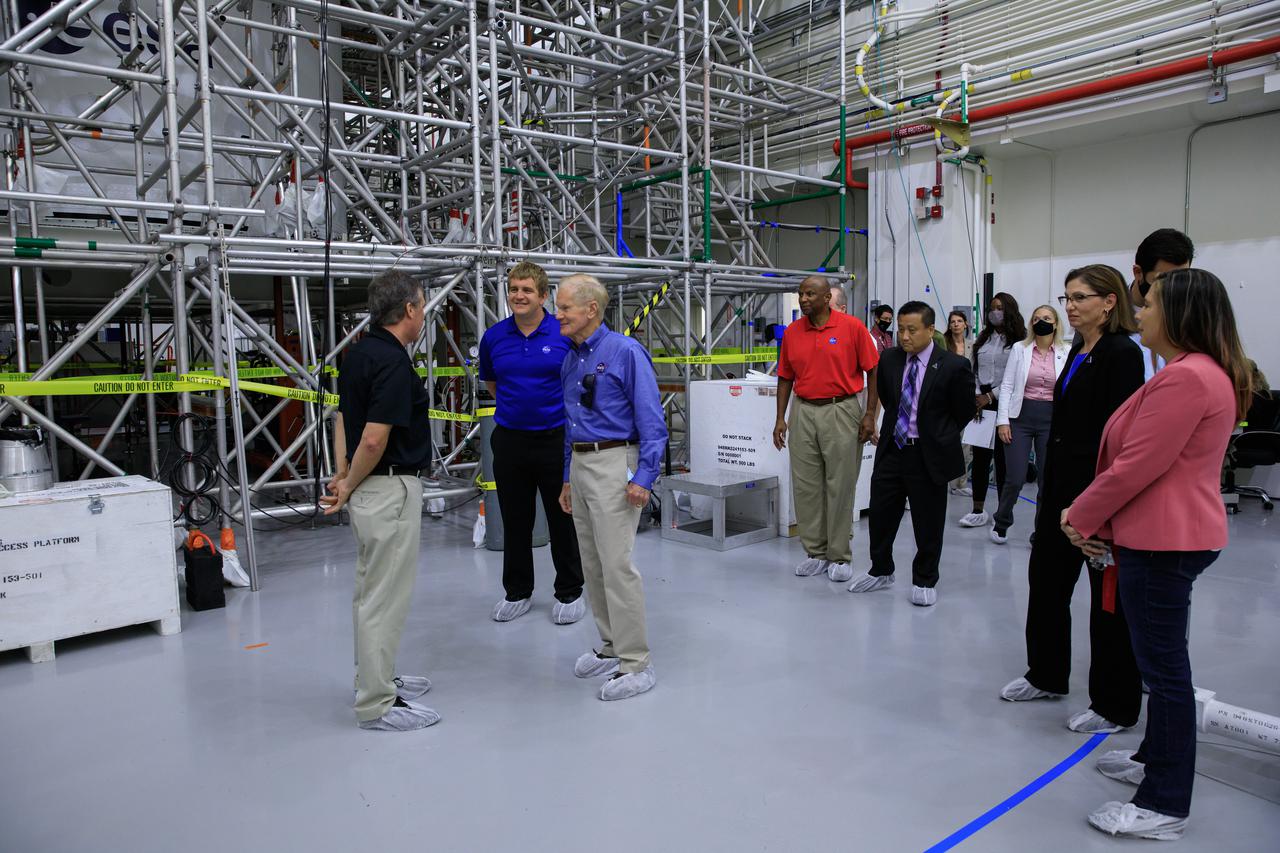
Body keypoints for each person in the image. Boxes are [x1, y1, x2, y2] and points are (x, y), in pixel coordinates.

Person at [1061, 269, 1251, 841]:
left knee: (1165, 673)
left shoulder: (1187, 379)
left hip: (1164, 539)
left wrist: (1080, 515)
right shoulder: (1190, 372)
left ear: (1179, 316)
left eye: (1149, 305)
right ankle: (1152, 759)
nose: (1140, 313)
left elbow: (1138, 465)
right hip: (1166, 534)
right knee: (1160, 664)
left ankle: (1165, 802)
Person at [1000, 265, 1145, 736]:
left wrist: (1097, 505)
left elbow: (1119, 435)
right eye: (1066, 298)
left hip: (1096, 493)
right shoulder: (1079, 351)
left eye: (1080, 297)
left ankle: (1114, 704)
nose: (1070, 306)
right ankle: (1045, 674)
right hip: (1058, 491)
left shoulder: (1122, 354)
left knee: (1107, 606)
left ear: (1109, 302)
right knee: (1045, 583)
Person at [323, 270, 438, 732]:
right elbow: (372, 439)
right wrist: (348, 482)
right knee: (384, 599)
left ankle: (373, 677)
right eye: (423, 305)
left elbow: (342, 420)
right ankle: (377, 704)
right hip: (388, 487)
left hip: (371, 488)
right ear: (408, 309)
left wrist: (341, 474)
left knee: (370, 593)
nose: (424, 312)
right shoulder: (391, 361)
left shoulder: (360, 354)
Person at [556, 274, 667, 702]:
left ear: (591, 310)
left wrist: (644, 477)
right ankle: (610, 645)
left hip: (614, 461)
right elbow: (572, 421)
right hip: (583, 463)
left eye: (565, 307)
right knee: (593, 563)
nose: (558, 314)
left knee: (617, 564)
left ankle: (636, 661)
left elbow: (652, 421)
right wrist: (568, 476)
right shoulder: (572, 358)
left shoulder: (624, 352)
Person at [478, 261, 585, 624]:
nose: (518, 295)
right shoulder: (494, 337)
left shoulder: (563, 333)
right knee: (516, 519)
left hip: (555, 439)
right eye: (513, 289)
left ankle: (570, 592)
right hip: (509, 440)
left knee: (562, 518)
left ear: (543, 295)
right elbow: (493, 383)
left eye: (527, 290)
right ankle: (518, 592)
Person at [848, 301, 974, 606]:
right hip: (893, 448)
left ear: (930, 330)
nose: (904, 336)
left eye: (911, 330)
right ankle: (881, 569)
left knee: (928, 520)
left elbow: (965, 410)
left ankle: (925, 578)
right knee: (880, 513)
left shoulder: (953, 365)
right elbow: (890, 400)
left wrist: (938, 434)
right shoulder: (890, 359)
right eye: (901, 329)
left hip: (927, 453)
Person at [773, 275, 879, 583]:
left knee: (840, 484)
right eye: (800, 293)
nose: (803, 299)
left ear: (825, 299)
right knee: (806, 486)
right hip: (803, 410)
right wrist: (781, 418)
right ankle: (815, 552)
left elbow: (873, 372)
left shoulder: (852, 328)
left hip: (841, 408)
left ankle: (839, 554)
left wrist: (869, 414)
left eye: (809, 294)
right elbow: (785, 377)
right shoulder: (793, 332)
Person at [991, 305, 1068, 544]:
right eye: (1037, 318)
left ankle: (1041, 530)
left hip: (1051, 420)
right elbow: (1006, 386)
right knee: (1014, 477)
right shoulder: (1020, 349)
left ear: (1056, 323)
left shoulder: (1067, 351)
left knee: (1047, 480)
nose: (1041, 322)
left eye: (1047, 318)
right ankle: (1002, 521)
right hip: (1020, 417)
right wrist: (1002, 421)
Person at [959, 293, 1025, 528]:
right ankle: (977, 509)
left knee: (1003, 460)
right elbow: (974, 368)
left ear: (1009, 310)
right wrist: (978, 394)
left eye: (1000, 308)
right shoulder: (984, 338)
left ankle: (1002, 512)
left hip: (1004, 401)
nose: (995, 312)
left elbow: (1016, 377)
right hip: (980, 401)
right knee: (980, 457)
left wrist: (990, 396)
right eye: (992, 308)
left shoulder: (1020, 341)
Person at [1131, 228, 1194, 381]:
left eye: (1180, 279)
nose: (1171, 288)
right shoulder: (1106, 314)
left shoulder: (1190, 313)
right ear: (1138, 272)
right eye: (1162, 280)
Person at [943, 310, 974, 497]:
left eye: (959, 321)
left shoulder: (973, 346)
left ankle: (959, 483)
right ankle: (943, 480)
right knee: (947, 441)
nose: (956, 324)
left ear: (965, 325)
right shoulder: (943, 345)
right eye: (952, 321)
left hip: (967, 397)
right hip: (946, 397)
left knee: (966, 444)